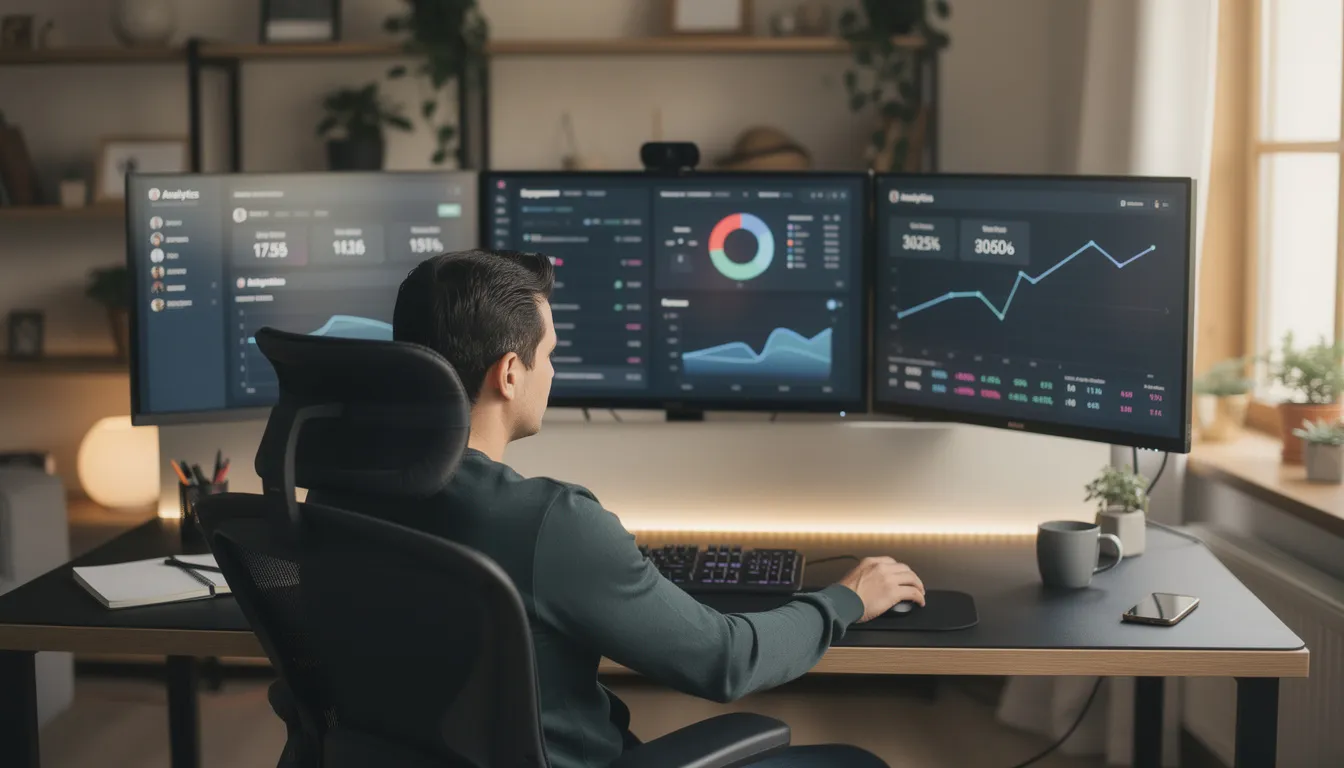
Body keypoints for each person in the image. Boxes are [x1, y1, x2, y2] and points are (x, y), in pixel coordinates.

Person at [297, 249, 926, 768]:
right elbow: (726, 660)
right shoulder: (549, 523)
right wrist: (845, 598)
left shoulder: (333, 493)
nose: (554, 371)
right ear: (509, 373)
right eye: (549, 354)